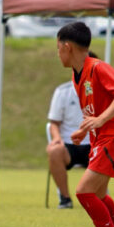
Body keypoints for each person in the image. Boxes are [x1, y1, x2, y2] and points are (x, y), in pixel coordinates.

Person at [57, 21, 114, 227]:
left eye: (57, 47)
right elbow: (95, 109)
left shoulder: (98, 68)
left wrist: (101, 120)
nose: (57, 53)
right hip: (99, 139)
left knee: (84, 192)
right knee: (100, 195)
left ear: (67, 46)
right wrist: (85, 129)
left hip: (112, 138)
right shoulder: (77, 75)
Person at [47, 81, 90, 209]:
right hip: (69, 145)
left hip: (95, 144)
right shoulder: (62, 91)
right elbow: (54, 123)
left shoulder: (102, 90)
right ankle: (65, 198)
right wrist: (57, 138)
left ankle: (100, 196)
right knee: (54, 150)